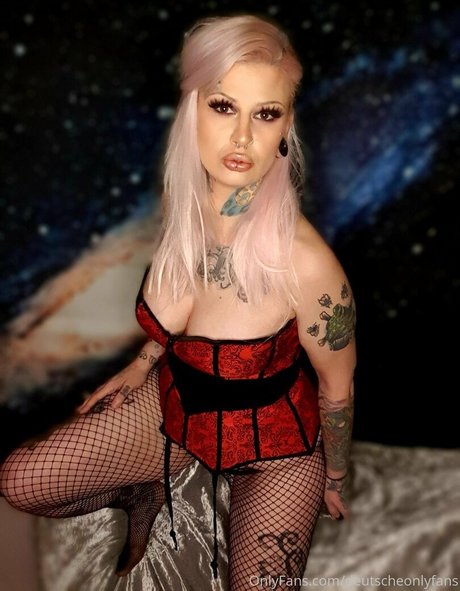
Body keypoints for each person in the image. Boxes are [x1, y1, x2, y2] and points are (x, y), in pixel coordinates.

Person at [0, 13, 356, 590]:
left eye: (265, 114)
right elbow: (184, 309)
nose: (242, 138)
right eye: (224, 106)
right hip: (177, 408)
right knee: (21, 482)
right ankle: (147, 487)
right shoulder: (189, 203)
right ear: (192, 109)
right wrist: (141, 363)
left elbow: (337, 387)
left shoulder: (307, 261)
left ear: (286, 127)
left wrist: (335, 476)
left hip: (277, 446)